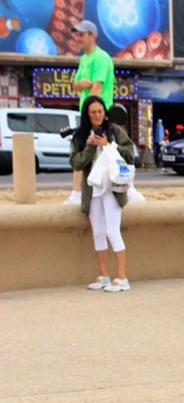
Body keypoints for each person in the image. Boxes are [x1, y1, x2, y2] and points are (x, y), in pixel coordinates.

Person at [69, 95, 135, 292]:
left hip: (113, 188)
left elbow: (130, 155)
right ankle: (103, 275)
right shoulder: (80, 136)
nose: (97, 116)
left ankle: (122, 278)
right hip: (93, 190)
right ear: (87, 115)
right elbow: (76, 163)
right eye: (93, 113)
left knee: (112, 230)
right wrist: (90, 146)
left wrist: (108, 145)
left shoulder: (114, 131)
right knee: (98, 232)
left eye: (100, 112)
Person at [66, 20, 115, 206]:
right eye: (76, 35)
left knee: (101, 152)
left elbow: (97, 89)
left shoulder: (100, 58)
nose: (77, 38)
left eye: (81, 35)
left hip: (99, 116)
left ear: (92, 36)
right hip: (90, 115)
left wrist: (92, 116)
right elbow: (75, 85)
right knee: (89, 152)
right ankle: (78, 192)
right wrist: (80, 84)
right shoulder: (84, 59)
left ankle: (78, 193)